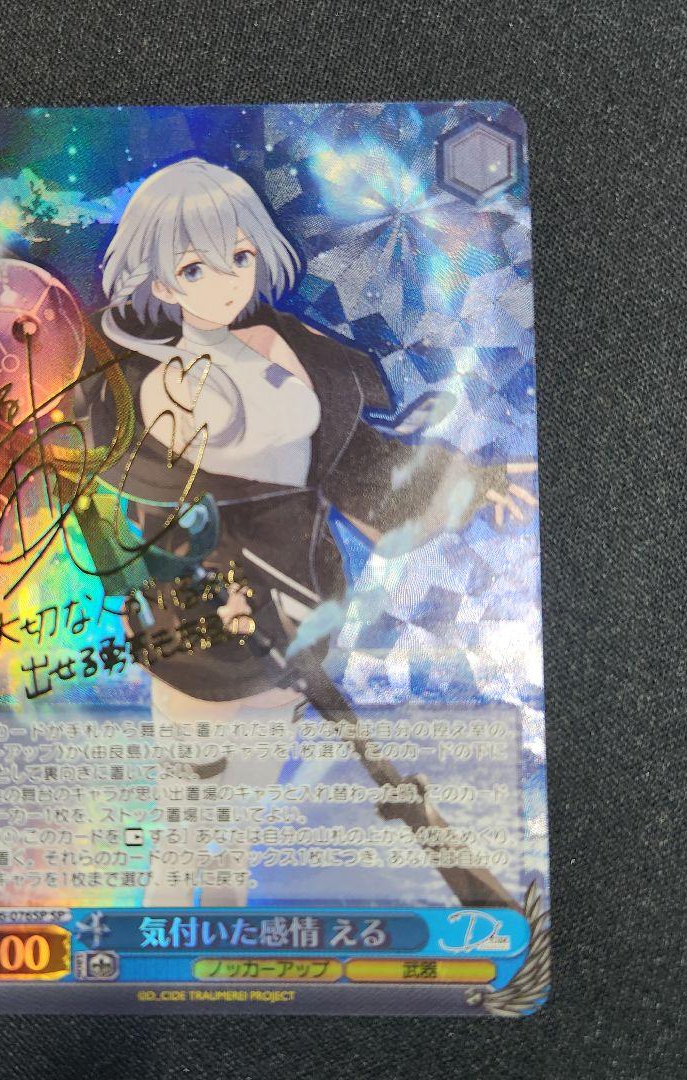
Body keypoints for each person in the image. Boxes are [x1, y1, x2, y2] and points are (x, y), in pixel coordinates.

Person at [75, 157, 536, 905]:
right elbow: (135, 513)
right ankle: (165, 946)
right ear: (158, 279)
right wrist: (193, 585)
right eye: (193, 268)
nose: (225, 282)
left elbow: (361, 465)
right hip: (196, 614)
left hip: (297, 596)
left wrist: (468, 483)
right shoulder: (131, 382)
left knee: (239, 820)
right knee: (187, 815)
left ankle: (221, 940)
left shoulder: (293, 351)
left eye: (239, 257)